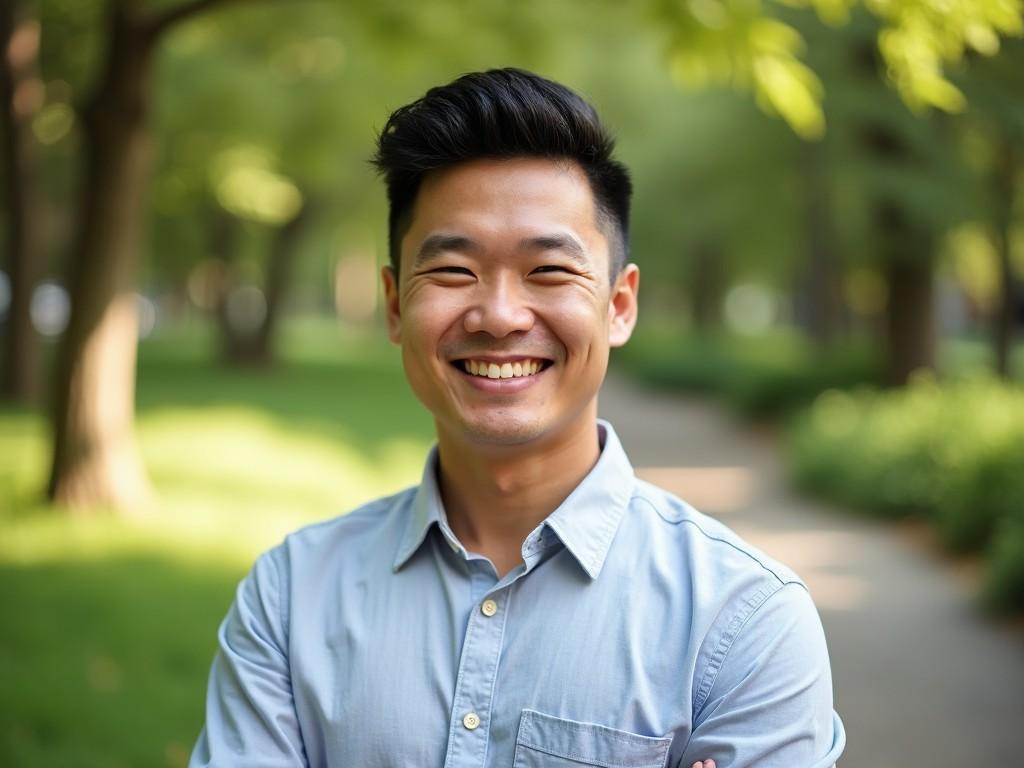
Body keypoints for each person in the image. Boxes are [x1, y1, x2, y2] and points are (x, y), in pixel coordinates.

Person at [189, 68, 845, 768]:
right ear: (393, 304)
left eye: (550, 272)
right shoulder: (292, 598)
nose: (500, 316)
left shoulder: (744, 621)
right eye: (453, 272)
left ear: (619, 306)